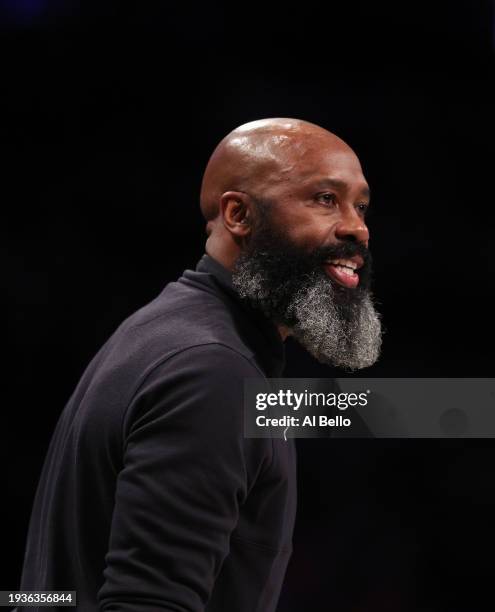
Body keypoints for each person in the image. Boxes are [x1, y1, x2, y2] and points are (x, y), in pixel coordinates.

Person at [17, 118, 382, 611]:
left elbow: (302, 413)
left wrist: (466, 410)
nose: (356, 228)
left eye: (360, 206)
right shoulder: (214, 369)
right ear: (238, 214)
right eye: (324, 199)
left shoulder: (176, 331)